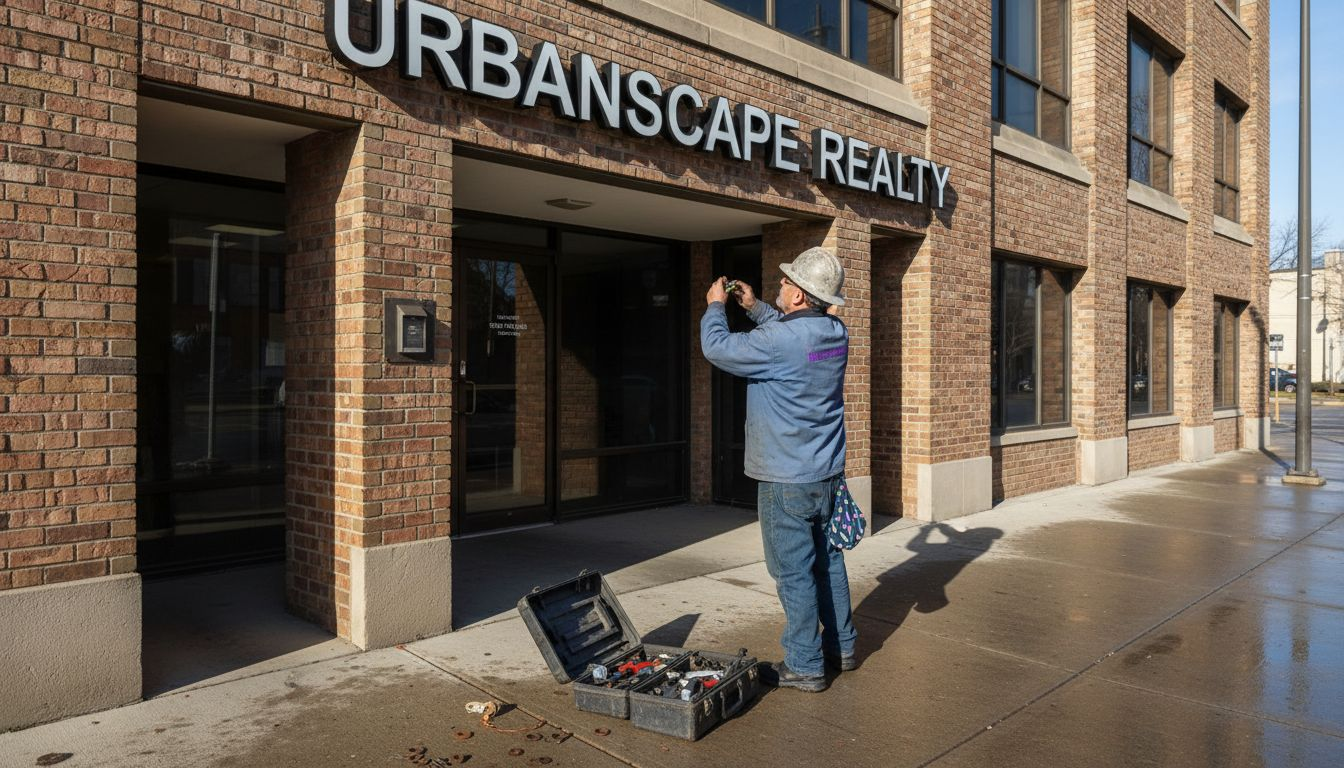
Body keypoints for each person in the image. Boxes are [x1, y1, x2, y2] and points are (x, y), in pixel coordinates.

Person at [700, 246, 857, 693]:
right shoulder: (834, 333)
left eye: (787, 283)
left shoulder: (781, 341)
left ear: (800, 297)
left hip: (785, 479)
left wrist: (717, 306)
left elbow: (718, 347)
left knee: (793, 572)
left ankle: (805, 665)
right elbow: (791, 339)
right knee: (828, 563)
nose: (781, 286)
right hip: (826, 474)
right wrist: (755, 308)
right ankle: (841, 648)